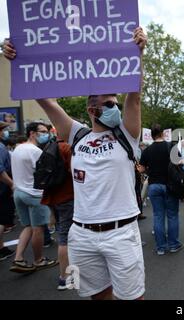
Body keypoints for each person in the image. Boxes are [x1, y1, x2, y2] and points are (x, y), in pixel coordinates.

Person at [3, 27, 147, 300]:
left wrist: (137, 53)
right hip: (81, 236)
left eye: (115, 102)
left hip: (121, 234)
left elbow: (135, 96)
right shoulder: (77, 133)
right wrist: (17, 58)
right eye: (108, 104)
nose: (115, 107)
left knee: (132, 298)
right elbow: (44, 100)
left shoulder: (127, 135)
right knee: (97, 295)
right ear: (92, 110)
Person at [9, 122, 58, 273]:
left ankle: (18, 258)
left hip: (18, 192)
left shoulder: (18, 149)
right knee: (38, 229)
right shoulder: (36, 151)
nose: (46, 134)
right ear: (32, 133)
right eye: (42, 131)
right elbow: (46, 173)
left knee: (28, 227)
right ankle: (39, 260)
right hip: (34, 195)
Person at [139, 124, 183, 256]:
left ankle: (161, 248)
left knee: (158, 216)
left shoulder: (147, 150)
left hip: (154, 185)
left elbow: (140, 169)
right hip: (170, 185)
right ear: (163, 134)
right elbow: (180, 162)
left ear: (151, 136)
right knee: (172, 215)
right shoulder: (171, 147)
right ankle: (174, 245)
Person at [40, 140, 75, 290]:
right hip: (67, 197)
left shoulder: (50, 146)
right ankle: (65, 278)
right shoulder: (67, 148)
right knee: (65, 238)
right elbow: (76, 172)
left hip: (53, 197)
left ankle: (68, 273)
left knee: (63, 233)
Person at [0, 121, 15, 261]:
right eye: (3, 130)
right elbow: (0, 170)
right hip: (2, 190)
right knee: (2, 220)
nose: (5, 132)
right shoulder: (0, 147)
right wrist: (12, 184)